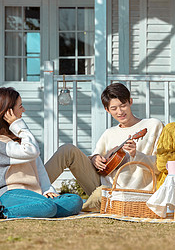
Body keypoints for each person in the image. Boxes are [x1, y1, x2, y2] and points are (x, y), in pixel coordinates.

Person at [0, 87, 83, 223]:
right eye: (20, 106)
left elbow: (37, 163)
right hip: (10, 193)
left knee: (75, 201)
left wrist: (47, 189)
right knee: (47, 207)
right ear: (8, 112)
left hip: (35, 194)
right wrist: (19, 125)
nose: (23, 110)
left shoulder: (19, 134)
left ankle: (40, 209)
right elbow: (31, 151)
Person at [45, 83, 163, 211]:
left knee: (74, 204)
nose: (120, 112)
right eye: (114, 108)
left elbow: (160, 166)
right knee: (67, 149)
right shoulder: (109, 133)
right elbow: (93, 159)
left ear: (130, 102)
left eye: (123, 106)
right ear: (107, 110)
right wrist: (94, 158)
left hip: (129, 193)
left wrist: (137, 155)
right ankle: (32, 191)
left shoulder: (153, 125)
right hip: (101, 186)